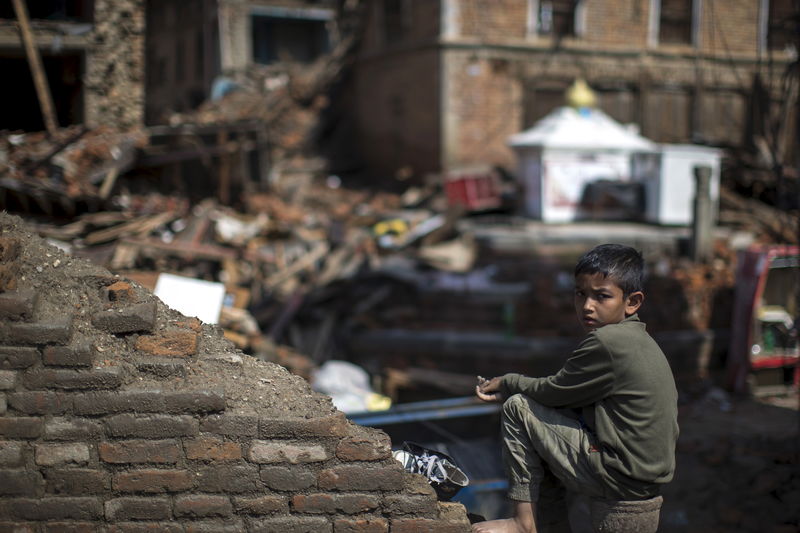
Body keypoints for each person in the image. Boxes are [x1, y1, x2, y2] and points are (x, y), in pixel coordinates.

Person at [472, 244, 678, 533]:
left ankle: (523, 522)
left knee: (518, 407)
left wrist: (508, 382)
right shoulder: (640, 341)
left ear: (632, 302)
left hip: (619, 474)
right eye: (581, 293)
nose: (587, 306)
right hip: (642, 475)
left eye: (601, 296)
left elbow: (554, 391)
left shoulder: (607, 343)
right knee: (548, 425)